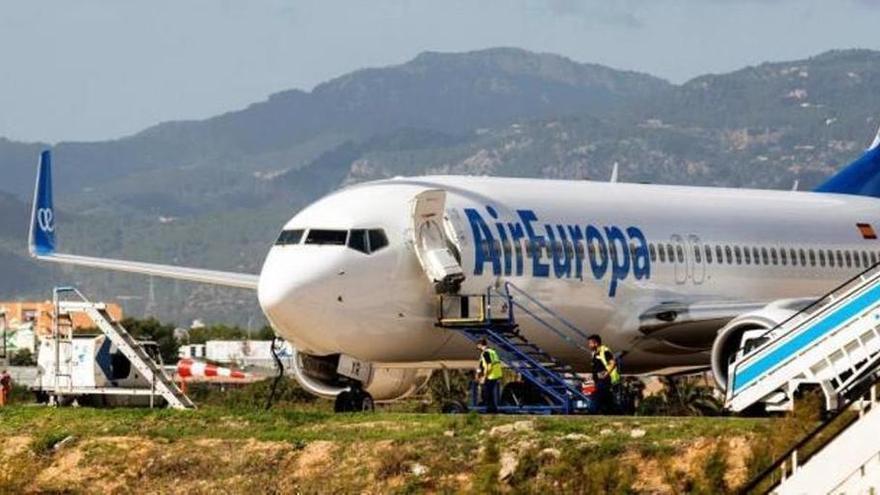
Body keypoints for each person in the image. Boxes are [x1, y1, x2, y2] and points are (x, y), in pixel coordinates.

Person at [587, 334, 620, 414]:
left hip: (604, 380)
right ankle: (614, 412)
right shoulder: (595, 353)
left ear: (596, 343)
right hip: (598, 380)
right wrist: (592, 375)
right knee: (607, 400)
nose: (589, 345)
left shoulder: (604, 351)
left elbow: (613, 363)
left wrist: (606, 374)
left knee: (595, 397)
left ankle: (592, 413)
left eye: (590, 343)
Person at [476, 338, 503, 413]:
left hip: (490, 375)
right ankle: (492, 409)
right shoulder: (492, 351)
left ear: (480, 345)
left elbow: (489, 365)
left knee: (486, 392)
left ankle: (490, 409)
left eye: (478, 346)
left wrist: (484, 376)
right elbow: (483, 364)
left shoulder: (486, 353)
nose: (478, 348)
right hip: (496, 374)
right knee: (489, 392)